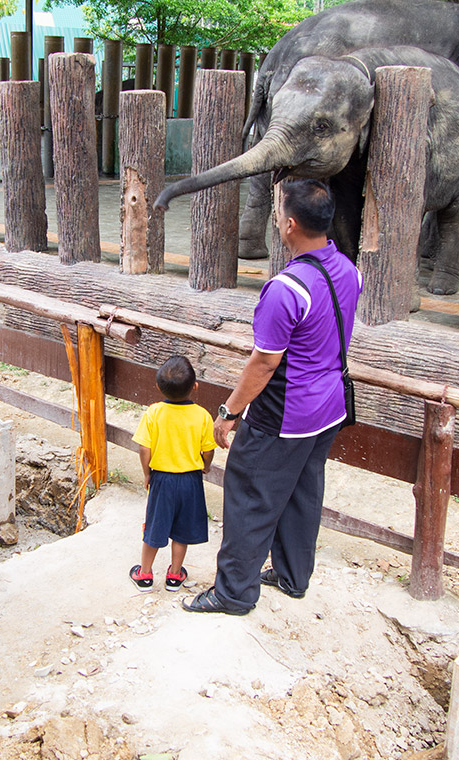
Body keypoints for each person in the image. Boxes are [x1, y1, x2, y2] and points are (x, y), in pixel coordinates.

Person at [182, 178, 362, 615]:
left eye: (280, 213)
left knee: (248, 493)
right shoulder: (349, 269)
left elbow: (264, 363)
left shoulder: (286, 288)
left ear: (290, 226)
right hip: (330, 407)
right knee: (303, 490)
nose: (278, 219)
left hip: (286, 414)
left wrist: (228, 411)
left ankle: (233, 593)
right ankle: (292, 575)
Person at [129, 356, 217, 592]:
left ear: (158, 387)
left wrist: (147, 474)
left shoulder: (154, 412)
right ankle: (175, 575)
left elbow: (144, 448)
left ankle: (145, 574)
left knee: (155, 525)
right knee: (183, 528)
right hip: (191, 480)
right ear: (195, 386)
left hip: (162, 479)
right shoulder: (202, 415)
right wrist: (205, 467)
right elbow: (208, 450)